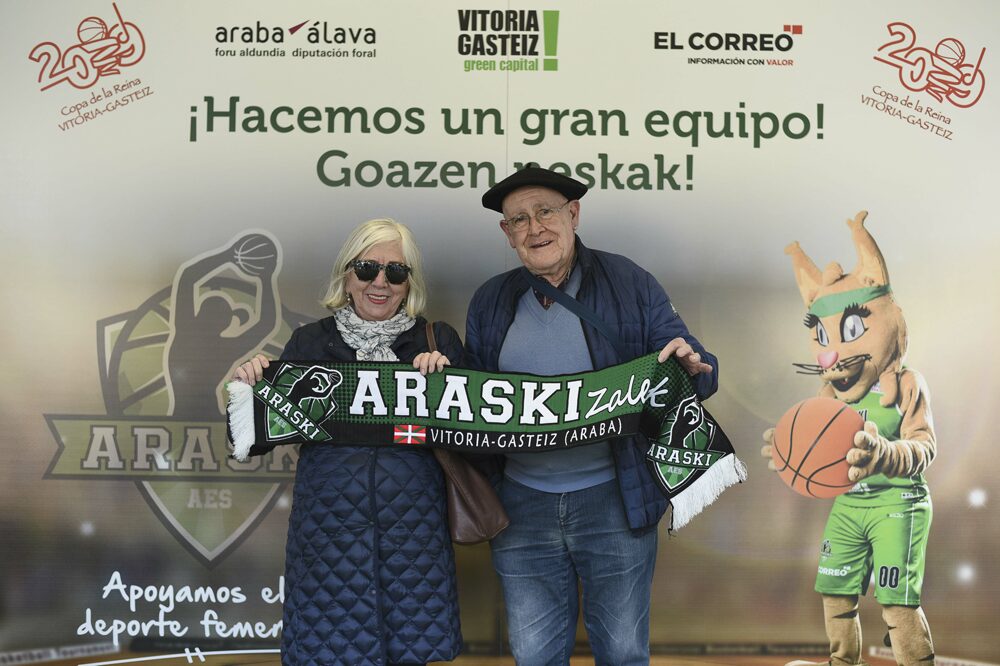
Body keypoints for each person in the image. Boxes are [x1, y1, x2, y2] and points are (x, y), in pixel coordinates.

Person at [465, 167, 718, 665]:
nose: (534, 228)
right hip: (521, 506)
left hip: (615, 500)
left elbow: (698, 371)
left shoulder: (630, 282)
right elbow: (472, 405)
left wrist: (691, 367)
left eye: (545, 212)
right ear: (506, 233)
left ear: (573, 214)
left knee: (623, 652)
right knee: (535, 656)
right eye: (518, 219)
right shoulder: (491, 300)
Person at [232, 219, 462, 666]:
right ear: (346, 275)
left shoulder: (438, 341)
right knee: (327, 652)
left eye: (395, 272)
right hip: (328, 542)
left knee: (412, 652)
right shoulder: (310, 341)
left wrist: (449, 379)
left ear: (408, 282)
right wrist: (251, 387)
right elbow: (259, 439)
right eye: (367, 268)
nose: (380, 282)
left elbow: (475, 438)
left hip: (414, 544)